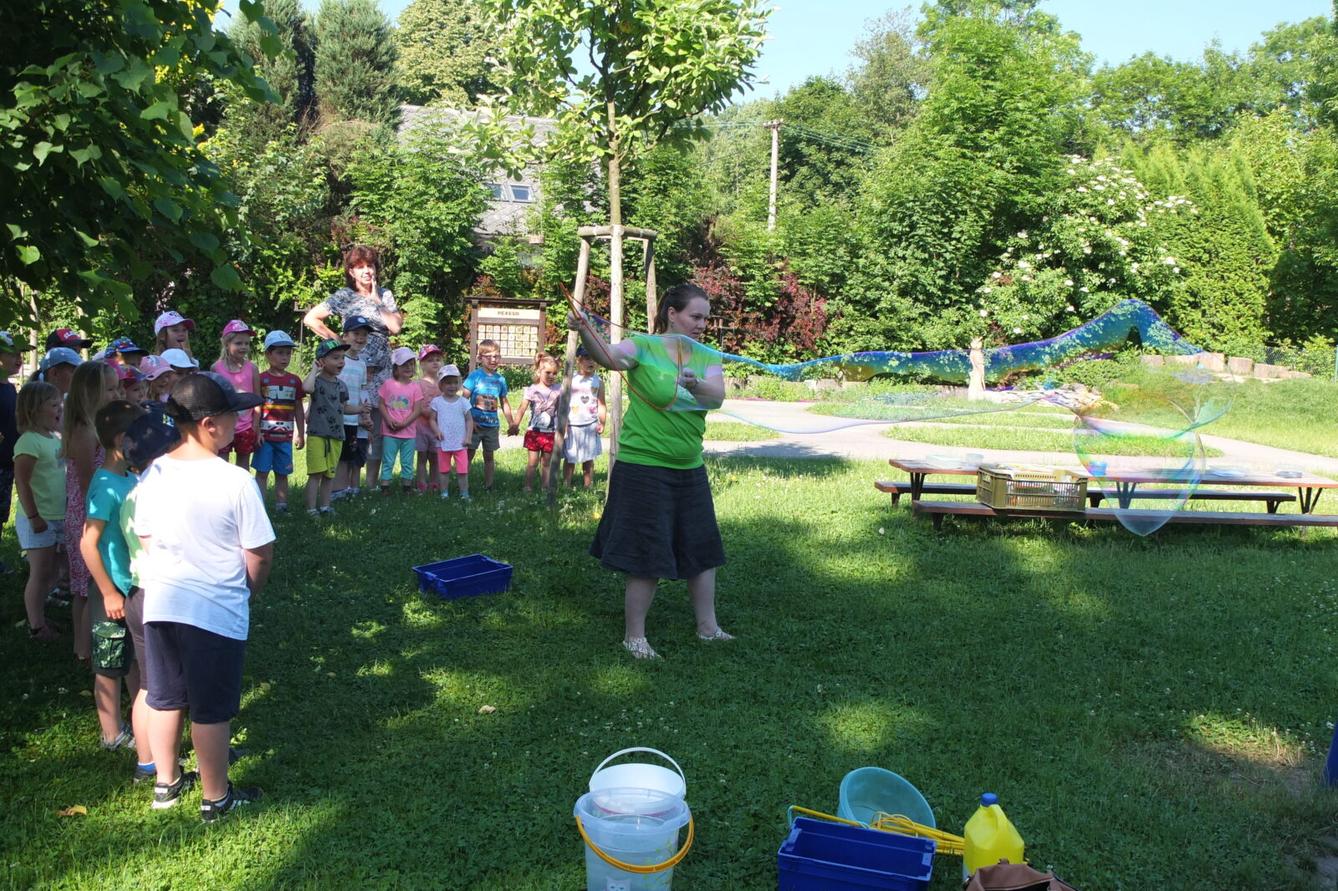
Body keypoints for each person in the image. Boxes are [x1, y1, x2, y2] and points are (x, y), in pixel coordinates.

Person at [135, 373, 273, 821]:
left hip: (161, 604)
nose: (240, 420)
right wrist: (245, 589)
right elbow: (259, 555)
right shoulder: (234, 480)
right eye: (234, 414)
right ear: (210, 423)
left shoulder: (154, 471)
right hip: (213, 608)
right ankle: (216, 797)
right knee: (211, 707)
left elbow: (146, 536)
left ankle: (166, 782)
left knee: (165, 695)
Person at [574, 283, 732, 660]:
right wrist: (583, 330)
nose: (702, 324)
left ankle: (708, 629)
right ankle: (635, 637)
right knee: (646, 552)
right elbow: (610, 357)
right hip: (643, 467)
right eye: (695, 316)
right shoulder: (642, 346)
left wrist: (696, 385)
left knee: (701, 548)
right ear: (671, 313)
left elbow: (717, 397)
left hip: (688, 465)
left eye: (706, 318)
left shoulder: (706, 355)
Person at [80, 400, 150, 756]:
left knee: (136, 661)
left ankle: (145, 722)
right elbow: (88, 543)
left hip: (132, 586)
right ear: (122, 439)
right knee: (108, 664)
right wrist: (108, 592)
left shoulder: (127, 477)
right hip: (111, 589)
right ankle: (112, 735)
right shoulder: (106, 486)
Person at [302, 245, 403, 487]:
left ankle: (369, 483)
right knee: (350, 422)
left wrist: (378, 301)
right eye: (360, 267)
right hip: (351, 369)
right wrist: (337, 343)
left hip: (380, 372)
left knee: (375, 426)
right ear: (351, 271)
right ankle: (341, 483)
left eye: (370, 266)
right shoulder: (344, 296)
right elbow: (311, 318)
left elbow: (396, 327)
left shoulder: (385, 295)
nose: (367, 271)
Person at [119, 404, 181, 783]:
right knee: (163, 688)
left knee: (147, 683)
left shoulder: (132, 493)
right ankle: (161, 766)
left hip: (137, 591)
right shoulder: (159, 497)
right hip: (161, 593)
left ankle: (147, 759)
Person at [63, 361, 120, 663]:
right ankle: (84, 649)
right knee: (87, 585)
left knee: (84, 586)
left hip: (96, 510)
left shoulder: (99, 425)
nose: (116, 393)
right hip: (87, 514)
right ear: (90, 393)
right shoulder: (84, 431)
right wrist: (96, 517)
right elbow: (86, 481)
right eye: (109, 389)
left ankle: (81, 646)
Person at [14, 380, 66, 641]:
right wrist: (34, 517)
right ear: (35, 410)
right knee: (40, 572)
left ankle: (40, 615)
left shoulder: (53, 437)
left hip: (57, 516)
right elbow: (22, 482)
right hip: (39, 518)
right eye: (54, 405)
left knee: (55, 571)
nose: (60, 409)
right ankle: (36, 626)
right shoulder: (29, 442)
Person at [302, 339, 361, 515]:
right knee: (315, 473)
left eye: (342, 358)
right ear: (322, 361)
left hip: (336, 435)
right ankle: (311, 509)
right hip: (317, 434)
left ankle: (326, 506)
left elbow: (343, 408)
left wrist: (360, 409)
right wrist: (314, 369)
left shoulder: (341, 386)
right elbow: (306, 387)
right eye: (335, 358)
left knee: (329, 474)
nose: (341, 362)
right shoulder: (317, 382)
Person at [255, 331, 305, 512]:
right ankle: (259, 506)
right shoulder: (261, 379)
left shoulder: (294, 380)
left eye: (288, 353)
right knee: (262, 472)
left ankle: (281, 505)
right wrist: (256, 431)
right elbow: (257, 407)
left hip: (285, 437)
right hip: (264, 436)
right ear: (268, 354)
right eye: (280, 353)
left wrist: (301, 433)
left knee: (283, 472)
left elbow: (298, 407)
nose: (285, 357)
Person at [462, 339, 516, 491]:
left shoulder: (500, 379)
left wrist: (511, 423)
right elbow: (463, 400)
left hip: (492, 426)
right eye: (489, 356)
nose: (493, 360)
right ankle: (463, 485)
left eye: (496, 356)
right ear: (480, 358)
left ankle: (489, 486)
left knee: (489, 456)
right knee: (468, 455)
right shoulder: (475, 377)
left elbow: (504, 401)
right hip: (474, 426)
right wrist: (469, 421)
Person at [0, 331, 31, 574]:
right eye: (12, 353)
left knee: (2, 510)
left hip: (7, 461)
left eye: (21, 354)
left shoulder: (10, 388)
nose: (19, 358)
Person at [211, 321, 261, 471]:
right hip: (223, 426)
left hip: (246, 427)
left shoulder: (252, 368)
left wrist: (255, 425)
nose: (244, 347)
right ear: (227, 344)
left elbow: (257, 398)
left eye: (246, 343)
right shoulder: (216, 368)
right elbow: (213, 399)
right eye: (239, 343)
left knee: (243, 466)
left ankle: (242, 493)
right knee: (221, 464)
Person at [333, 316, 372, 500]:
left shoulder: (362, 364)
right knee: (335, 455)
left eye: (364, 335)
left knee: (348, 455)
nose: (360, 338)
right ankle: (334, 490)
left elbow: (363, 390)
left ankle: (342, 489)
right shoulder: (338, 360)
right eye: (356, 333)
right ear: (345, 336)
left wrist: (365, 413)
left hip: (353, 418)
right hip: (335, 416)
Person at [378, 347, 424, 493]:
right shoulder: (388, 384)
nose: (409, 367)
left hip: (408, 433)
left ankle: (407, 487)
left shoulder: (415, 387)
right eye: (404, 365)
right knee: (388, 460)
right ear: (395, 368)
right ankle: (385, 486)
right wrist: (388, 419)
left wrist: (405, 423)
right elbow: (381, 404)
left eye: (411, 364)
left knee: (407, 461)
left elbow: (417, 409)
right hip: (390, 432)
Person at [516, 354, 561, 494]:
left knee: (546, 463)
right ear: (539, 372)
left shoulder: (558, 389)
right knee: (532, 463)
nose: (551, 376)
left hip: (550, 432)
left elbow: (561, 410)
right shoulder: (533, 389)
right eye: (548, 372)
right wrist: (515, 424)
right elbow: (522, 408)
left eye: (554, 373)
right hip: (534, 432)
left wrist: (563, 428)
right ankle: (527, 486)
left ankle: (545, 487)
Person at [563, 346, 607, 489]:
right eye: (587, 358)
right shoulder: (571, 380)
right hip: (572, 424)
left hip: (590, 424)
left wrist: (602, 421)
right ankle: (566, 485)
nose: (591, 362)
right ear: (578, 360)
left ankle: (588, 485)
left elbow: (601, 403)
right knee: (570, 458)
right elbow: (564, 403)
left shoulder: (598, 382)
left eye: (594, 358)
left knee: (588, 459)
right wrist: (563, 424)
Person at [429, 364, 473, 500]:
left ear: (459, 384)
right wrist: (436, 431)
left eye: (455, 383)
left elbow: (469, 420)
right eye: (448, 383)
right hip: (443, 442)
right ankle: (444, 493)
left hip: (460, 443)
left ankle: (464, 493)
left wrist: (468, 437)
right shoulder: (437, 402)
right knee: (443, 470)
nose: (452, 386)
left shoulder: (463, 402)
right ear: (441, 385)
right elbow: (432, 419)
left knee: (462, 471)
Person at [414, 345, 444, 494]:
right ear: (422, 364)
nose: (435, 363)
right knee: (422, 457)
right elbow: (417, 405)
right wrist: (430, 413)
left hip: (437, 428)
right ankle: (421, 483)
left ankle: (435, 483)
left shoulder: (444, 384)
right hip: (421, 427)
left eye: (438, 360)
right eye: (430, 360)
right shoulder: (418, 384)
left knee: (435, 457)